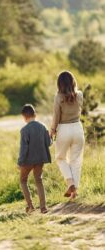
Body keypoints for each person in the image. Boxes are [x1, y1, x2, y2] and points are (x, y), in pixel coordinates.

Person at [50, 71, 84, 200]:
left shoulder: (58, 97)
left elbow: (56, 116)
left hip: (64, 128)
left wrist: (52, 130)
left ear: (59, 83)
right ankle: (74, 192)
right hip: (77, 127)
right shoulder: (79, 95)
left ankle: (70, 184)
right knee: (76, 160)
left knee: (60, 158)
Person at [17, 104, 51, 214]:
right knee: (39, 180)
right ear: (35, 115)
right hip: (40, 159)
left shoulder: (24, 130)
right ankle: (43, 207)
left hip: (27, 161)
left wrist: (20, 162)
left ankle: (30, 206)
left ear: (24, 117)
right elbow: (49, 143)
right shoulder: (43, 127)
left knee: (23, 180)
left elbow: (24, 148)